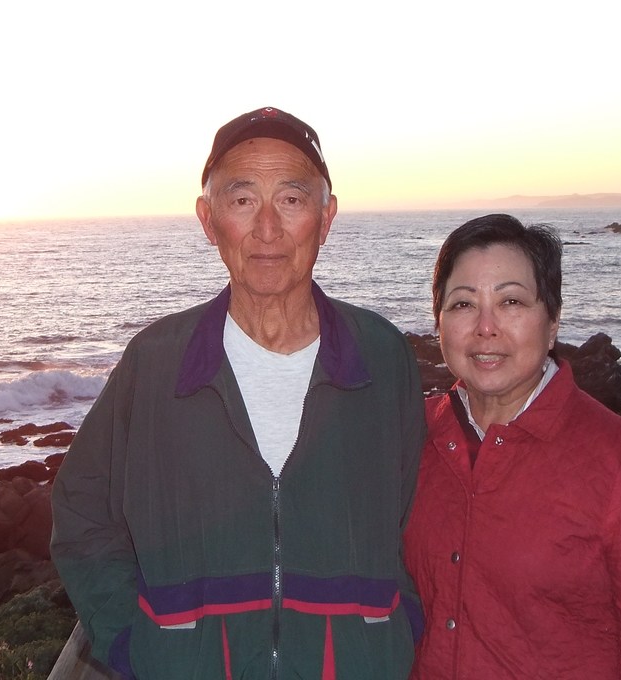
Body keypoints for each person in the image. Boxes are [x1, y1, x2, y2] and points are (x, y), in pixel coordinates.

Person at [51, 106, 426, 680]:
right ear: (208, 219)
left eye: (293, 200)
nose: (268, 228)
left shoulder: (381, 356)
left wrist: (398, 631)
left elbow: (421, 516)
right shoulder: (157, 362)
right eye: (243, 199)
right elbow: (82, 510)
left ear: (326, 218)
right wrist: (132, 642)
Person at [403, 214, 621, 679]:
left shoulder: (620, 459)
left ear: (553, 320)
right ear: (437, 320)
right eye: (463, 304)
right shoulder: (409, 437)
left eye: (511, 301)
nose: (485, 327)